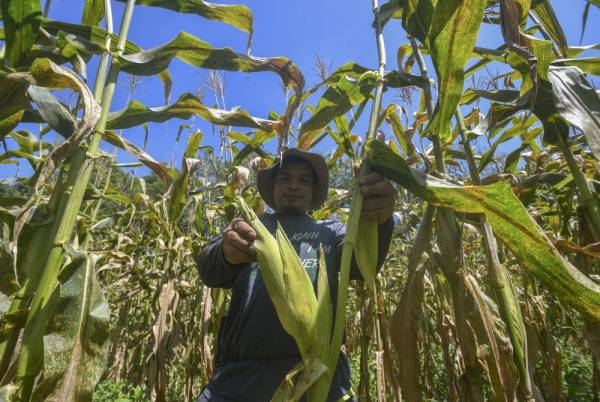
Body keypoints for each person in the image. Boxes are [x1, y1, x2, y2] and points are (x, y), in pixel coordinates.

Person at [196, 148, 395, 402]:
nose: (293, 186)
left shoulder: (331, 232)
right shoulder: (250, 225)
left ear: (313, 191)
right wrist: (227, 253)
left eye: (303, 180)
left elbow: (366, 262)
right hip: (241, 380)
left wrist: (379, 220)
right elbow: (208, 270)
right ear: (273, 187)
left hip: (320, 375)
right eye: (285, 178)